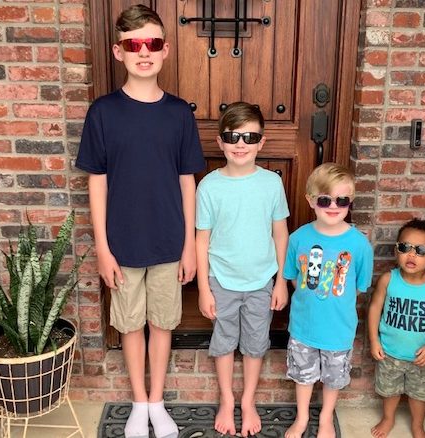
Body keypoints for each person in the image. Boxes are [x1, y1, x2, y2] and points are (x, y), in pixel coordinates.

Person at [75, 5, 205, 438]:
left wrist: (189, 246)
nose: (143, 52)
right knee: (130, 324)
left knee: (162, 323)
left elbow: (187, 182)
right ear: (119, 52)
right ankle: (137, 403)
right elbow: (97, 182)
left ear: (165, 50)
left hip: (169, 241)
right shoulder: (103, 112)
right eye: (134, 44)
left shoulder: (179, 113)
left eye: (152, 43)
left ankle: (157, 401)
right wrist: (102, 248)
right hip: (123, 243)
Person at [195, 102, 290, 437]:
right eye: (232, 136)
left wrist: (281, 281)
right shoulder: (209, 186)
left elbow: (280, 233)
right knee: (223, 341)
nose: (240, 144)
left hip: (261, 280)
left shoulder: (271, 183)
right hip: (221, 280)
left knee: (255, 342)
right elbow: (202, 239)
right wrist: (203, 289)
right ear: (220, 142)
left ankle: (248, 400)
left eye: (249, 137)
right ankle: (226, 399)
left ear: (261, 142)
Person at [283, 163, 374, 438]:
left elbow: (358, 287)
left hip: (339, 329)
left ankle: (325, 418)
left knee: (333, 378)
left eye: (341, 200)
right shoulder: (298, 238)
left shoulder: (359, 244)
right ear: (311, 200)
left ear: (350, 202)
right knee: (303, 375)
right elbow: (293, 277)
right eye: (325, 200)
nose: (333, 206)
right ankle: (302, 417)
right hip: (304, 326)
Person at [367, 218, 425, 438]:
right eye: (405, 247)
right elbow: (375, 309)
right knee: (390, 391)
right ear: (396, 251)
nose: (412, 255)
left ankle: (417, 425)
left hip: (422, 356)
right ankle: (388, 418)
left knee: (419, 394)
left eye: (421, 250)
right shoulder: (388, 280)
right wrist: (374, 340)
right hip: (390, 352)